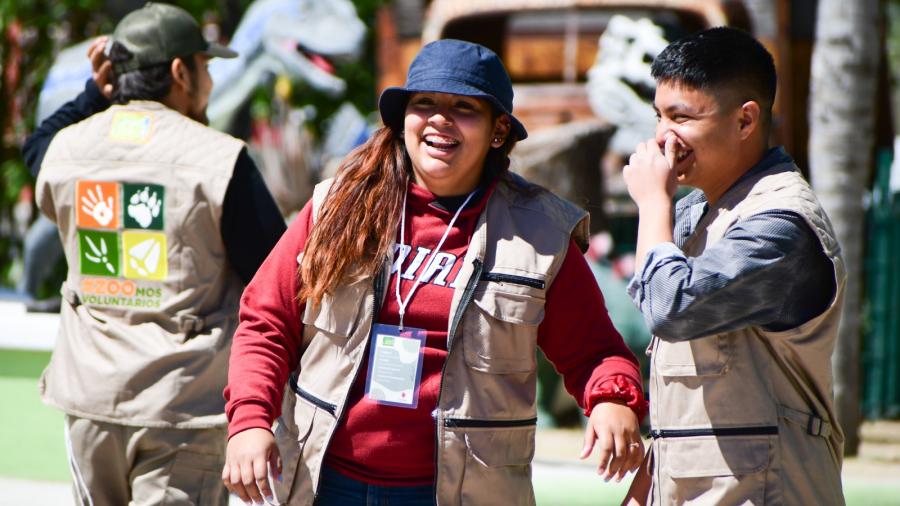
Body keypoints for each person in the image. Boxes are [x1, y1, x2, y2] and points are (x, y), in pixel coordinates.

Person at [222, 39, 647, 506]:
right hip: (324, 482)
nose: (440, 119)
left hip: (461, 494)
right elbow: (266, 321)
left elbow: (595, 353)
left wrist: (612, 400)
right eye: (424, 103)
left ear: (498, 131)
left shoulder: (540, 234)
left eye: (464, 107)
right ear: (404, 118)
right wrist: (249, 420)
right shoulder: (335, 207)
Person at [26, 3, 286, 505]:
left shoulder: (65, 150)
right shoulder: (219, 159)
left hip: (89, 404)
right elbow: (275, 276)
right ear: (179, 72)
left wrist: (91, 95)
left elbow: (35, 146)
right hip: (181, 411)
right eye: (206, 67)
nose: (210, 81)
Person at [621, 27, 846, 505]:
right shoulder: (694, 211)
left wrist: (651, 206)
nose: (664, 137)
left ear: (745, 121)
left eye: (681, 117)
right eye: (659, 116)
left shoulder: (781, 225)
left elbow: (671, 309)